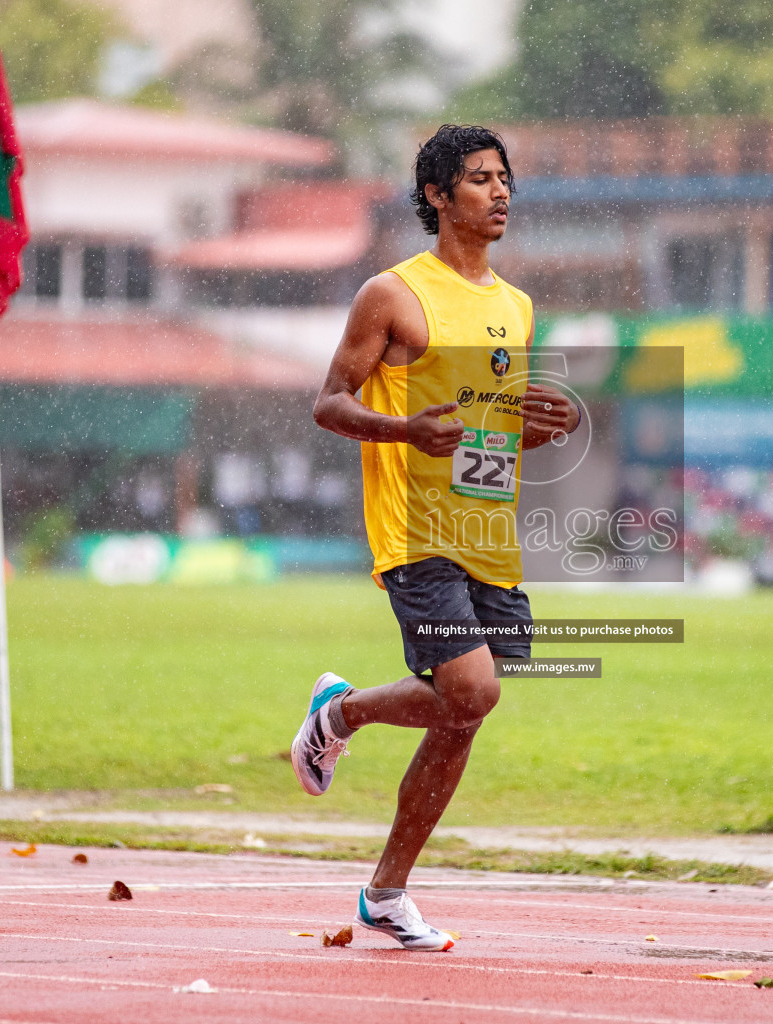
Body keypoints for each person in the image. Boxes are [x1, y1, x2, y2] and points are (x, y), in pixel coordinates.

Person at [297, 124, 579, 951]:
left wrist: (544, 430)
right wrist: (400, 431)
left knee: (464, 710)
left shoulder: (515, 306)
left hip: (489, 533)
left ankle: (384, 888)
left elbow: (490, 436)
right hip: (415, 533)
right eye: (482, 179)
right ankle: (341, 715)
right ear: (436, 195)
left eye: (506, 180)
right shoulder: (392, 294)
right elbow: (329, 403)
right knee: (474, 692)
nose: (501, 194)